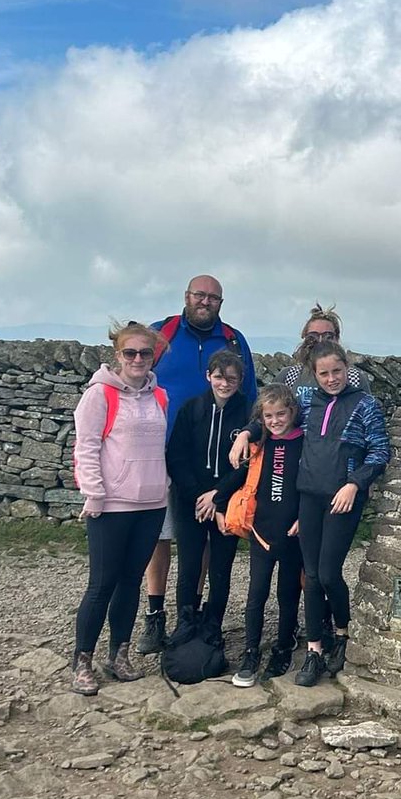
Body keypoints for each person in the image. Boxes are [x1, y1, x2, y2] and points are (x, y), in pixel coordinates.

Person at [137, 274, 256, 655]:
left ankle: (201, 619)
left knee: (207, 549)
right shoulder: (161, 333)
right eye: (199, 295)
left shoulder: (234, 340)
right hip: (164, 451)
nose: (205, 302)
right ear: (186, 296)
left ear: (221, 302)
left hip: (222, 470)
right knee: (162, 537)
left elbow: (252, 401)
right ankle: (157, 615)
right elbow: (135, 379)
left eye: (213, 297)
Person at [71, 322, 169, 694]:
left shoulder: (160, 396)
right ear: (118, 355)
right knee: (102, 584)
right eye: (131, 353)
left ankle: (119, 655)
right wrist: (94, 495)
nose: (139, 359)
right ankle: (82, 660)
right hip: (111, 505)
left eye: (146, 352)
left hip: (152, 503)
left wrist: (165, 486)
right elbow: (87, 447)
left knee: (131, 581)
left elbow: (158, 449)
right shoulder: (99, 395)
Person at [293, 342, 391, 687]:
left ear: (347, 368)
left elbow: (379, 451)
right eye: (324, 373)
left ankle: (343, 633)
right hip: (308, 496)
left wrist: (354, 484)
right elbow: (275, 425)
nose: (332, 378)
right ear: (314, 374)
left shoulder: (365, 404)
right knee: (311, 575)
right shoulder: (305, 401)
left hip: (343, 498)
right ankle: (314, 650)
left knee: (329, 573)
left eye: (337, 371)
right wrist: (246, 434)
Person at [213, 384, 304, 686]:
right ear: (261, 418)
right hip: (261, 531)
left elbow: (312, 482)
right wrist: (217, 500)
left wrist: (305, 516)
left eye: (281, 414)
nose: (276, 420)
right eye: (269, 415)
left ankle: (283, 646)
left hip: (293, 533)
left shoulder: (304, 442)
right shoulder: (259, 444)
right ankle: (251, 651)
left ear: (292, 411)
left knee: (288, 594)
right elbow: (239, 476)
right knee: (256, 594)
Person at [164, 350, 250, 639]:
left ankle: (213, 625)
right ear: (208, 377)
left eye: (232, 379)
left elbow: (247, 465)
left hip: (227, 501)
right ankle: (185, 623)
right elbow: (177, 456)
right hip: (191, 501)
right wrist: (199, 496)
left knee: (221, 568)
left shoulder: (248, 414)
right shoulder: (191, 409)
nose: (225, 384)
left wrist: (218, 496)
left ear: (240, 381)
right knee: (189, 565)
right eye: (219, 377)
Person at [228, 302, 369, 467]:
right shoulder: (289, 376)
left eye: (328, 336)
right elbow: (265, 415)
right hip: (291, 462)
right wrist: (246, 433)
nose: (320, 341)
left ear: (337, 339)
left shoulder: (354, 378)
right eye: (313, 336)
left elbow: (366, 428)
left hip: (339, 467)